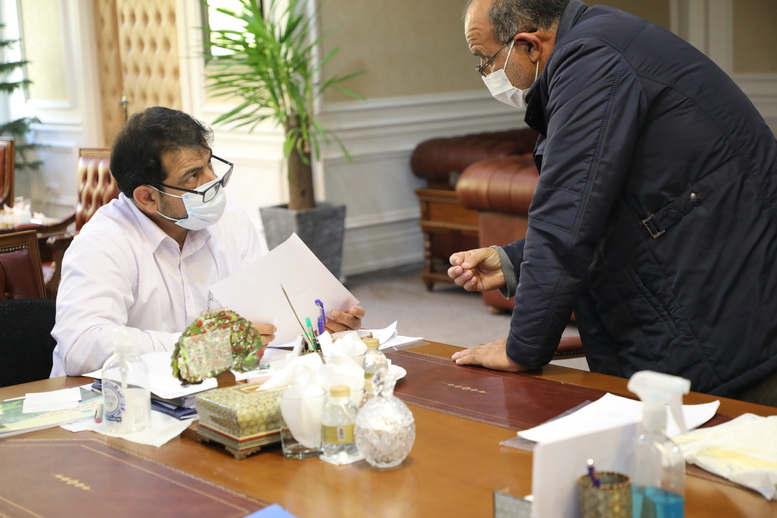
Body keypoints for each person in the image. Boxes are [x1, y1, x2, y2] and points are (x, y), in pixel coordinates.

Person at [449, 0, 777, 403]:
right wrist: (513, 260)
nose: (487, 74)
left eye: (485, 60)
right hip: (713, 270)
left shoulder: (591, 61)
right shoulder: (599, 40)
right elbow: (603, 203)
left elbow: (565, 216)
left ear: (529, 45)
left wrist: (522, 348)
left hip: (726, 303)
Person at [51, 106, 364, 377]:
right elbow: (80, 347)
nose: (212, 182)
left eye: (209, 165)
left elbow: (267, 319)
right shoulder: (103, 243)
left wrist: (318, 328)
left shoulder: (231, 221)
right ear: (148, 197)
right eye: (192, 176)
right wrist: (200, 346)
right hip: (117, 405)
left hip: (215, 389)